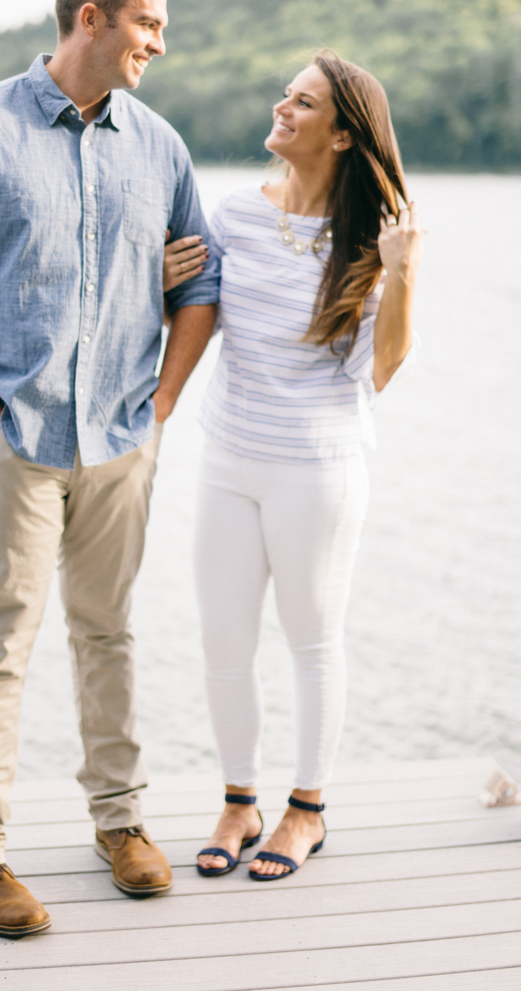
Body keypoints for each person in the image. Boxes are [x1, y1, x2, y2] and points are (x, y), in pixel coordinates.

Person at [0, 0, 219, 935]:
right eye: (147, 23)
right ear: (89, 18)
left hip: (121, 437)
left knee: (107, 632)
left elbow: (199, 288)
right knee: (0, 641)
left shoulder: (158, 147)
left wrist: (158, 404)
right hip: (12, 440)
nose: (159, 42)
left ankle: (119, 823)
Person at [179, 50, 425, 880]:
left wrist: (403, 277)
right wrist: (159, 279)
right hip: (226, 456)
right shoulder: (233, 215)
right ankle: (239, 800)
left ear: (345, 133)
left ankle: (307, 810)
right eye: (285, 95)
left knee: (311, 639)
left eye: (305, 101)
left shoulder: (373, 241)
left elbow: (382, 372)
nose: (283, 108)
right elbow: (195, 320)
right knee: (223, 637)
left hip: (315, 470)